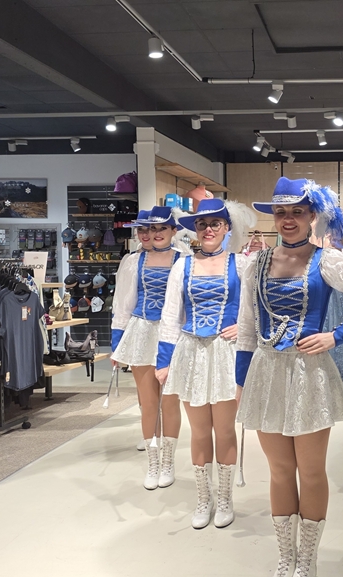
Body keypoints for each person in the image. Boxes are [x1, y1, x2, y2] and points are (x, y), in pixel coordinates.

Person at [236, 177, 343, 577]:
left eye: (297, 212)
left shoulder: (330, 260)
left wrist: (336, 336)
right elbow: (247, 326)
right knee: (279, 470)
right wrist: (241, 382)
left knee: (312, 470)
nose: (288, 220)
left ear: (312, 216)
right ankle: (286, 556)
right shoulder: (256, 263)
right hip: (266, 372)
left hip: (309, 374)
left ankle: (308, 557)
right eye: (281, 213)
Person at [156, 199, 256, 529]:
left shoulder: (243, 265)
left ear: (227, 227)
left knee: (225, 430)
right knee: (199, 431)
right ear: (195, 230)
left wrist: (244, 327)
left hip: (227, 354)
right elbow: (170, 315)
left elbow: (256, 308)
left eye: (215, 223)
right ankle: (204, 497)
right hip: (191, 354)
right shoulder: (181, 266)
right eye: (202, 224)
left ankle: (225, 497)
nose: (209, 229)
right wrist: (163, 361)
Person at [110, 206, 185, 490]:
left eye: (162, 228)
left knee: (170, 402)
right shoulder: (133, 262)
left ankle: (168, 462)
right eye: (151, 228)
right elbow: (123, 303)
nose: (155, 233)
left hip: (172, 334)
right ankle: (153, 462)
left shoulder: (184, 261)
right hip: (141, 332)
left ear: (173, 230)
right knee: (149, 403)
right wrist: (117, 342)